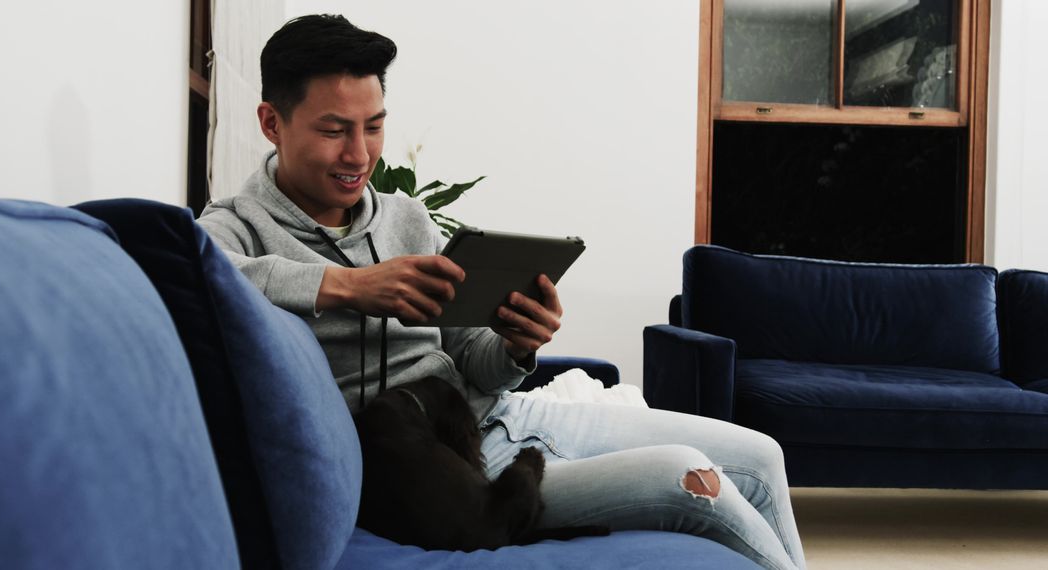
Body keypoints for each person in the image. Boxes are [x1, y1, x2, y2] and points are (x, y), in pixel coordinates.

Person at [198, 14, 806, 570]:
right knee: (690, 477)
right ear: (271, 122)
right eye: (334, 130)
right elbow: (204, 279)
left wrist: (515, 345)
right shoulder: (233, 227)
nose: (359, 154)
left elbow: (476, 364)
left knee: (762, 455)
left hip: (500, 416)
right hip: (433, 467)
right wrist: (346, 286)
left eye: (374, 126)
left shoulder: (407, 219)